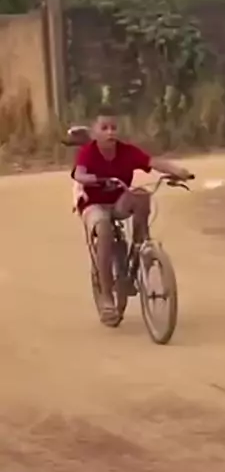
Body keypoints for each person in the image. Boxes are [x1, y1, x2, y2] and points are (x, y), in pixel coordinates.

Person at [72, 106, 190, 323]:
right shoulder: (88, 152)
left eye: (114, 127)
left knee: (142, 195)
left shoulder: (127, 151)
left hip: (118, 201)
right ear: (94, 131)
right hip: (93, 204)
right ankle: (107, 296)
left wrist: (178, 171)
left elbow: (153, 162)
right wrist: (94, 179)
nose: (110, 132)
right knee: (104, 230)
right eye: (104, 128)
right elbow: (79, 174)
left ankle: (140, 244)